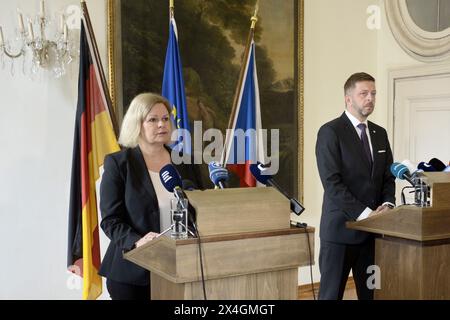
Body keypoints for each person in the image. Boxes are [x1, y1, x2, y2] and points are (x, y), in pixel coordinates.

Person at [99, 93, 203, 300]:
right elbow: (111, 220)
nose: (161, 124)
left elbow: (201, 208)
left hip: (182, 267)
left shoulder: (185, 162)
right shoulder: (119, 164)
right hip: (133, 273)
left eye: (165, 119)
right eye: (153, 119)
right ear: (137, 123)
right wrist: (138, 241)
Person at [315, 72, 395, 300]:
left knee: (373, 296)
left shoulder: (380, 134)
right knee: (330, 297)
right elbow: (332, 184)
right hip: (340, 233)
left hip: (372, 237)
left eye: (373, 94)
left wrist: (388, 204)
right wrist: (367, 215)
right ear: (348, 99)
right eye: (364, 94)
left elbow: (388, 177)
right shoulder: (330, 132)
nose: (370, 98)